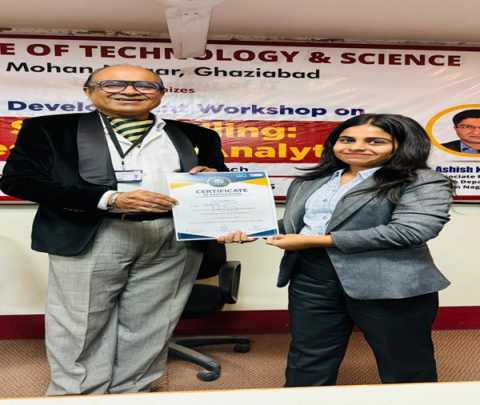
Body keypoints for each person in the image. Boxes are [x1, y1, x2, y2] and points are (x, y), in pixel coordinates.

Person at [0, 64, 227, 395]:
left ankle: (132, 391)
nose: (130, 91)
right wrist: (109, 199)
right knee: (80, 323)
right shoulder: (50, 129)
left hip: (174, 238)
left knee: (153, 322)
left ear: (161, 94)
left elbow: (218, 179)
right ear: (88, 91)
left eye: (144, 86)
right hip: (92, 231)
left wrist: (212, 177)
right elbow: (18, 181)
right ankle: (77, 394)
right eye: (114, 83)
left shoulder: (198, 136)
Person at [219, 114, 453, 386]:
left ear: (403, 145)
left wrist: (316, 241)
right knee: (308, 357)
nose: (357, 147)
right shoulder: (313, 180)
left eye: (375, 141)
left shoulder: (422, 181)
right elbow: (305, 224)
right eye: (347, 139)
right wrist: (254, 230)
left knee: (405, 363)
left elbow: (410, 231)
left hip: (388, 282)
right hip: (311, 276)